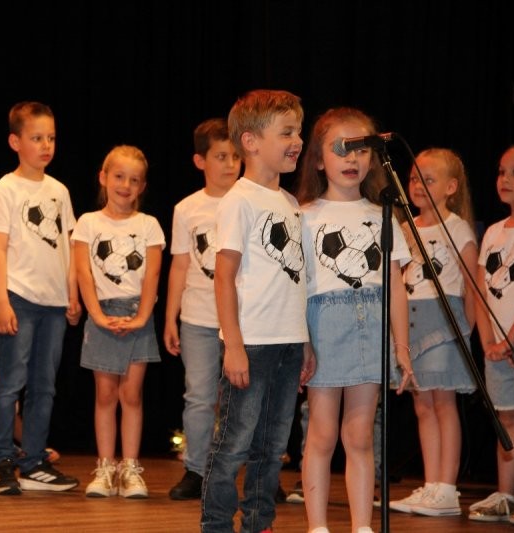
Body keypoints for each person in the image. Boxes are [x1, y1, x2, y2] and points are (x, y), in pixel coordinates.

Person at [294, 107, 416, 533]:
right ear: (317, 159)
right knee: (322, 432)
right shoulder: (304, 216)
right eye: (340, 148)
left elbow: (396, 287)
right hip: (324, 325)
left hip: (372, 325)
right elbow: (297, 287)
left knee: (361, 434)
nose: (352, 158)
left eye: (361, 149)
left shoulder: (384, 214)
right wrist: (303, 341)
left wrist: (402, 347)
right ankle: (317, 527)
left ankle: (362, 526)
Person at [200, 89, 314, 533]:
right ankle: (215, 524)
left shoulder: (290, 204)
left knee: (272, 445)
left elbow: (295, 279)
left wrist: (304, 341)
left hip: (288, 343)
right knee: (233, 443)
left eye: (299, 131)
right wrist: (234, 345)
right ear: (250, 141)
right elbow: (224, 276)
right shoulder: (239, 200)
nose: (297, 141)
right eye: (286, 132)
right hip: (251, 343)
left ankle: (259, 523)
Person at [0, 101, 80, 495]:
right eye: (37, 138)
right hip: (20, 298)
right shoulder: (6, 188)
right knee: (11, 382)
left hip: (54, 303)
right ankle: (2, 461)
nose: (46, 145)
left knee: (44, 385)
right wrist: (2, 301)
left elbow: (69, 247)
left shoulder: (59, 191)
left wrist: (72, 294)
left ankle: (35, 460)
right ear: (15, 142)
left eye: (51, 138)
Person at [388, 148, 478, 516]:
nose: (417, 185)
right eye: (413, 179)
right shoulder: (405, 228)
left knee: (443, 403)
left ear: (451, 187)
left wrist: (465, 331)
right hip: (411, 324)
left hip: (443, 324)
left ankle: (447, 487)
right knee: (422, 405)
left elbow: (473, 287)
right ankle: (431, 485)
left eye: (428, 179)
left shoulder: (457, 229)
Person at [73, 145, 165, 499]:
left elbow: (152, 275)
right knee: (105, 394)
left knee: (131, 393)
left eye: (134, 180)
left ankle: (130, 468)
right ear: (103, 177)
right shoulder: (88, 223)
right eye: (119, 177)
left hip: (137, 314)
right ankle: (105, 467)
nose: (125, 185)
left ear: (142, 186)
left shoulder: (149, 225)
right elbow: (83, 272)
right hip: (102, 313)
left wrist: (142, 317)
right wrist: (97, 315)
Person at [163, 118, 240, 500]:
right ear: (200, 161)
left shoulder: (250, 201)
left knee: (244, 398)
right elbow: (180, 264)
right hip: (198, 318)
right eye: (221, 156)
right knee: (199, 397)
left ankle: (256, 472)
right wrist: (170, 317)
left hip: (243, 320)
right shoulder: (186, 209)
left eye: (235, 156)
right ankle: (196, 470)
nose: (230, 164)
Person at [469, 144, 514, 523]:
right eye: (502, 172)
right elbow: (480, 290)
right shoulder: (494, 233)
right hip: (498, 347)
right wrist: (488, 341)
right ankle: (506, 495)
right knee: (507, 418)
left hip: (512, 342)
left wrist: (510, 339)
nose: (505, 179)